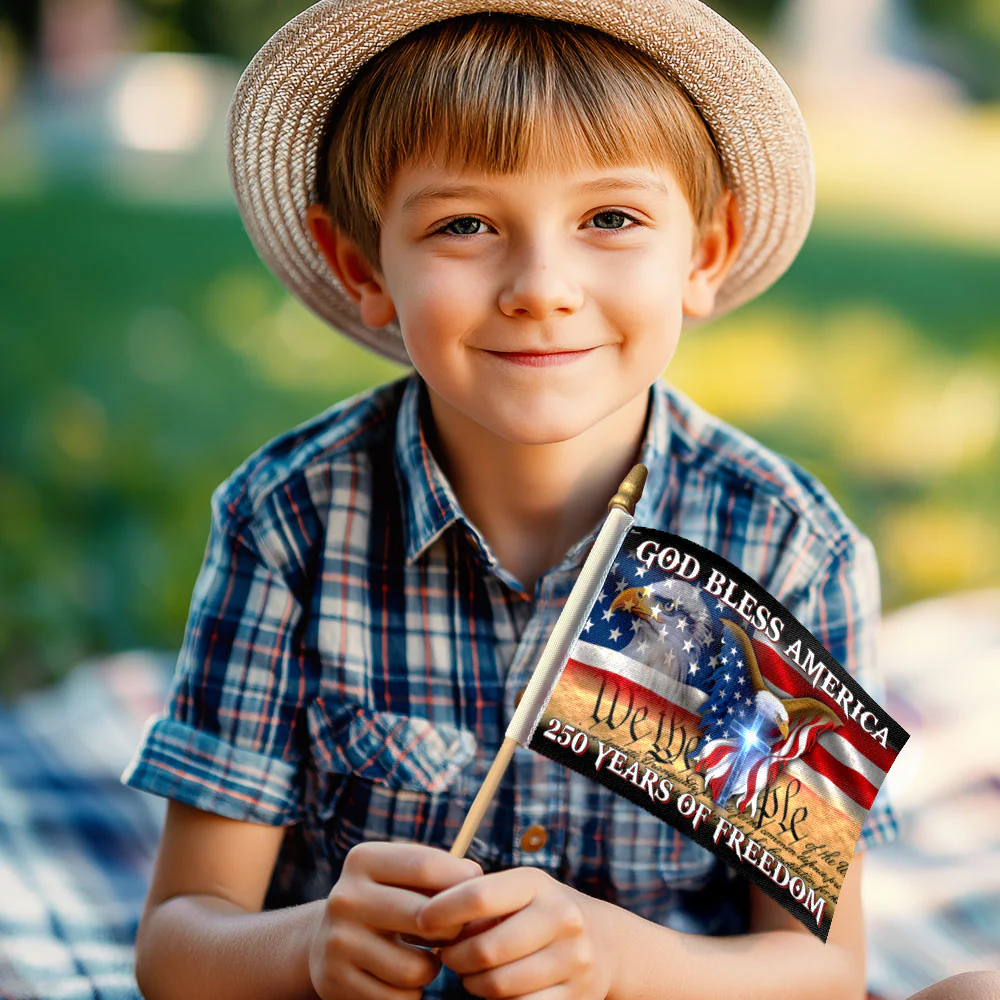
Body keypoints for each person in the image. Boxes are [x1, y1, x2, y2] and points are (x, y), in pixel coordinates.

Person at [119, 3, 990, 999]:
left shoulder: (784, 548)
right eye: (464, 224)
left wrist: (616, 956)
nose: (541, 285)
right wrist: (308, 945)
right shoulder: (289, 521)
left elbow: (820, 970)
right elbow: (180, 946)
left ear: (704, 253)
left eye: (609, 218)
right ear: (361, 267)